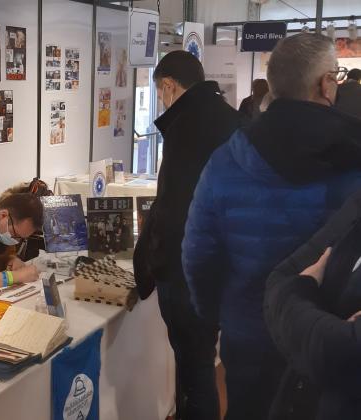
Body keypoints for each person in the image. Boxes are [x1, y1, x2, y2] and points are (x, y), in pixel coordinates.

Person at [182, 33, 361, 420]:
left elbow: (197, 254)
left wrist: (214, 314)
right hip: (325, 344)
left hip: (247, 334)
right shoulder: (354, 158)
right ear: (326, 84)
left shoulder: (227, 159)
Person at [133, 50, 244, 420]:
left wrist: (154, 261)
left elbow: (174, 207)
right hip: (222, 266)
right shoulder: (230, 120)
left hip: (187, 271)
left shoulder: (187, 128)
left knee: (195, 371)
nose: (162, 102)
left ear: (169, 85)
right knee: (201, 365)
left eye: (162, 94)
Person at [264, 189, 361, 420]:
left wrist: (292, 299)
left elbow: (343, 353)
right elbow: (280, 278)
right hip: (300, 399)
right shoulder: (357, 203)